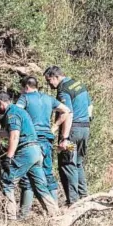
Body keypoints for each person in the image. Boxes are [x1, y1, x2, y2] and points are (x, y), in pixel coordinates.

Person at [0, 91, 58, 220]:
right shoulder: (19, 111)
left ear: (0, 103)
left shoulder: (12, 114)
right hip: (36, 151)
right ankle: (55, 215)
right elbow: (13, 132)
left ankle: (9, 219)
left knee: (7, 181)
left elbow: (15, 136)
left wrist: (8, 157)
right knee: (39, 186)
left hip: (26, 151)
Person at [16, 76, 72, 218]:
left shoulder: (25, 98)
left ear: (26, 87)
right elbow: (66, 110)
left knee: (28, 177)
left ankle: (23, 215)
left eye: (21, 88)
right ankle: (55, 214)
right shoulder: (48, 98)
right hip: (47, 140)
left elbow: (16, 113)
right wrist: (54, 127)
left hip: (31, 141)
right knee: (48, 175)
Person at [44, 66, 93, 206]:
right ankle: (84, 197)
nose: (49, 84)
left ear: (56, 77)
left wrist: (64, 137)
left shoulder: (63, 89)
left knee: (67, 164)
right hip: (84, 130)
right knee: (78, 163)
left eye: (49, 80)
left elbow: (68, 113)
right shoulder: (79, 84)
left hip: (72, 132)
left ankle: (73, 202)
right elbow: (90, 107)